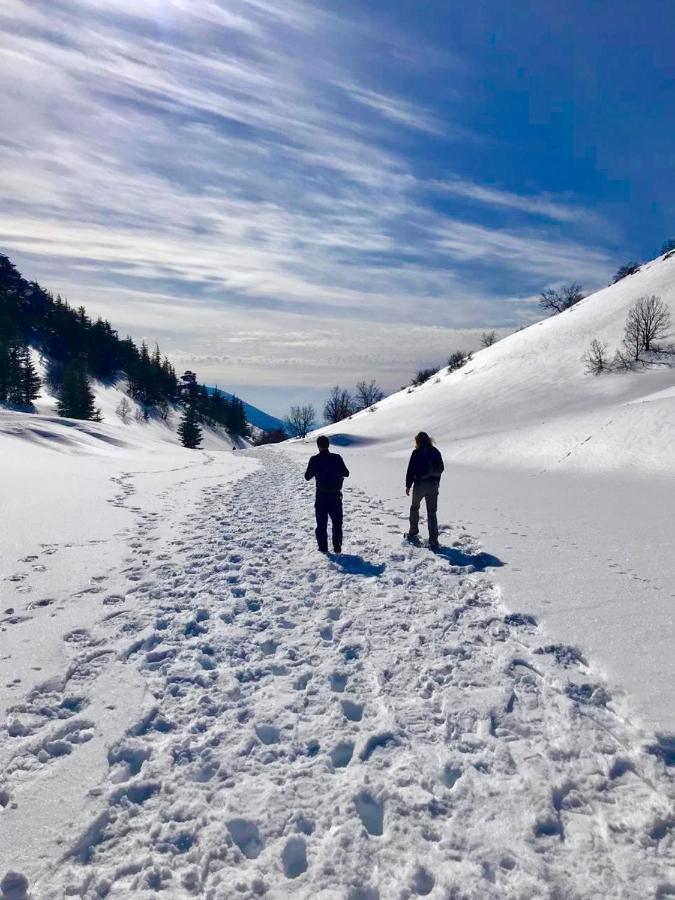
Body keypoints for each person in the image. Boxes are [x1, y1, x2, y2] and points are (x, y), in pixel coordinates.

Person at [305, 435, 350, 553]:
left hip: (321, 497)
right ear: (328, 445)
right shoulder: (337, 458)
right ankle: (337, 546)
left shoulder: (314, 459)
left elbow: (307, 477)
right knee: (337, 523)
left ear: (318, 446)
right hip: (335, 496)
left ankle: (323, 548)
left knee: (321, 524)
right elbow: (346, 473)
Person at [405, 432, 444, 550]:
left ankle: (413, 533)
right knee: (432, 513)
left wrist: (408, 485)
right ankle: (433, 540)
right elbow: (440, 469)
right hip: (433, 485)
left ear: (418, 441)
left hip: (420, 484)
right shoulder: (436, 451)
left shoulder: (416, 453)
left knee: (414, 508)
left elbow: (411, 470)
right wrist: (437, 483)